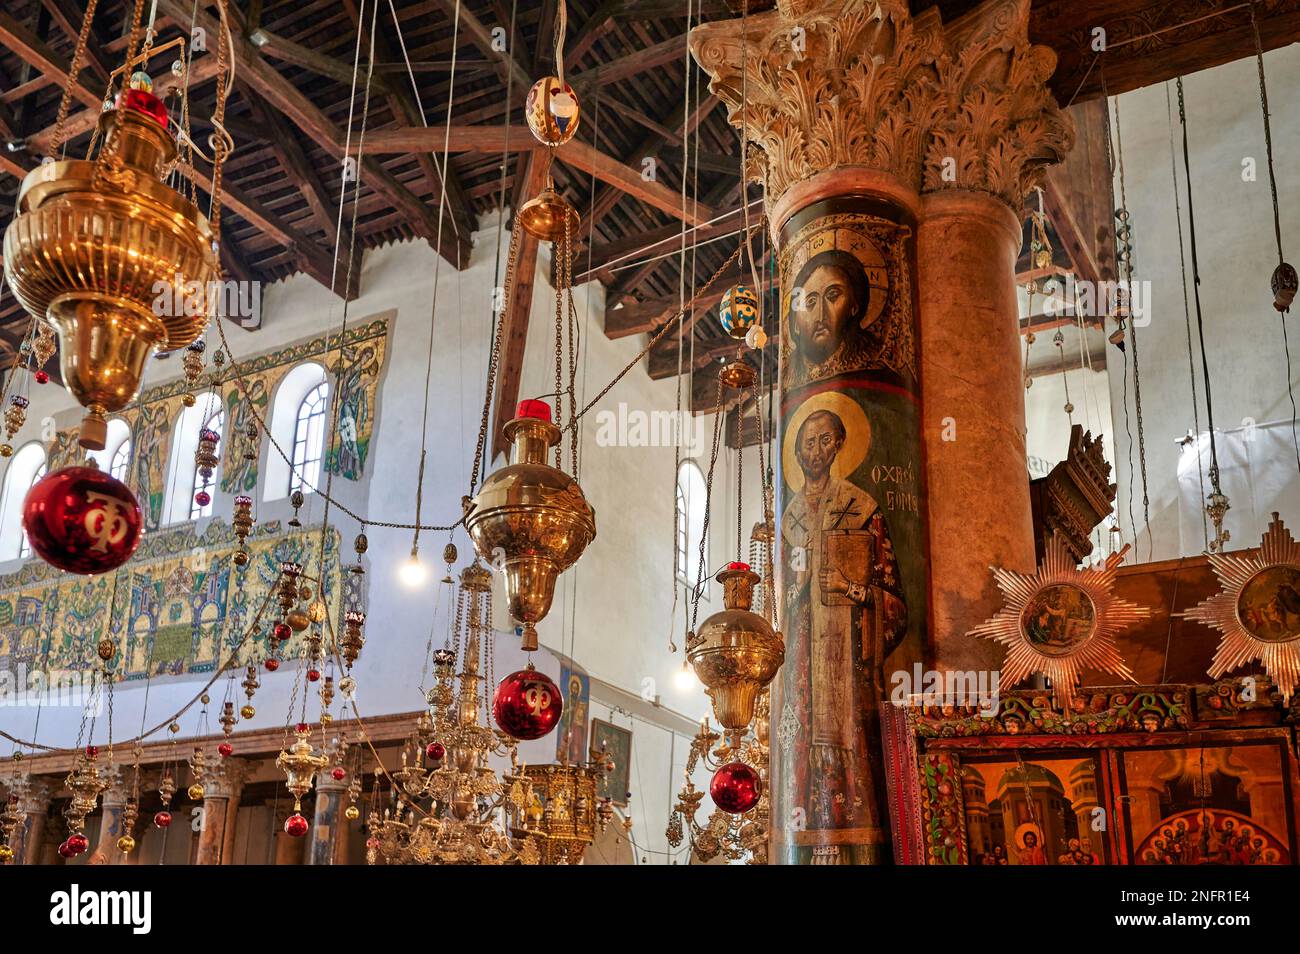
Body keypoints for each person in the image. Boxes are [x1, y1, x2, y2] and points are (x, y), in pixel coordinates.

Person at [779, 407, 906, 844]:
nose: (814, 451)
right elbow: (779, 603)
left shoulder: (861, 509)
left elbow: (892, 601)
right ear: (796, 450)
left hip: (845, 660)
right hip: (801, 669)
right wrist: (794, 589)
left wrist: (853, 590)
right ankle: (804, 836)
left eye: (823, 441)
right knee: (793, 738)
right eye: (806, 443)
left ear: (838, 445)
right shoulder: (789, 519)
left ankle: (862, 839)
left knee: (855, 736)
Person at [786, 249, 873, 383]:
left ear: (854, 306)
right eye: (810, 302)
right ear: (795, 324)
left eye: (832, 296)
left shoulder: (875, 369)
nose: (820, 316)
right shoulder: (787, 376)